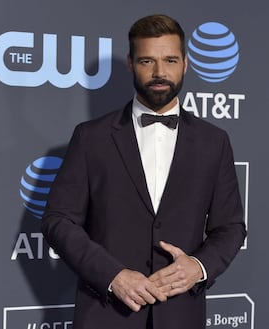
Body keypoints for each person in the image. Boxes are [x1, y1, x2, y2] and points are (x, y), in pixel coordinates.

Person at [42, 14, 246, 329]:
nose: (160, 72)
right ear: (130, 64)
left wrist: (198, 267)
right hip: (105, 314)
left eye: (170, 60)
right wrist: (112, 276)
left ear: (186, 64)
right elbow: (59, 221)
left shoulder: (214, 142)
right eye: (147, 61)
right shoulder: (90, 137)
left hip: (181, 317)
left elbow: (231, 227)